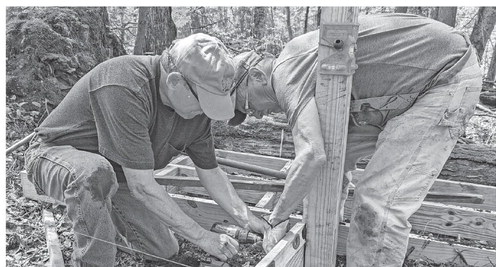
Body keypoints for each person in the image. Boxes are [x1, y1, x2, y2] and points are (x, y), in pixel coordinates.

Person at [228, 13, 482, 266]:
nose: (257, 116)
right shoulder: (300, 68)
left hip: (445, 76)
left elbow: (311, 155)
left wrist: (277, 219)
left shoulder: (285, 72)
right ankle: (324, 247)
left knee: (378, 203)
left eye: (248, 106)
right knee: (326, 172)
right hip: (408, 89)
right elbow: (326, 156)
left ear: (257, 76)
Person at [24, 33, 268, 266]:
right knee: (94, 173)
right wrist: (203, 237)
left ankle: (105, 227)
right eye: (204, 103)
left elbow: (212, 173)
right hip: (55, 155)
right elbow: (142, 185)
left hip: (119, 173)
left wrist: (248, 219)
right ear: (175, 82)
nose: (206, 113)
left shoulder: (195, 111)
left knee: (165, 250)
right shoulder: (125, 83)